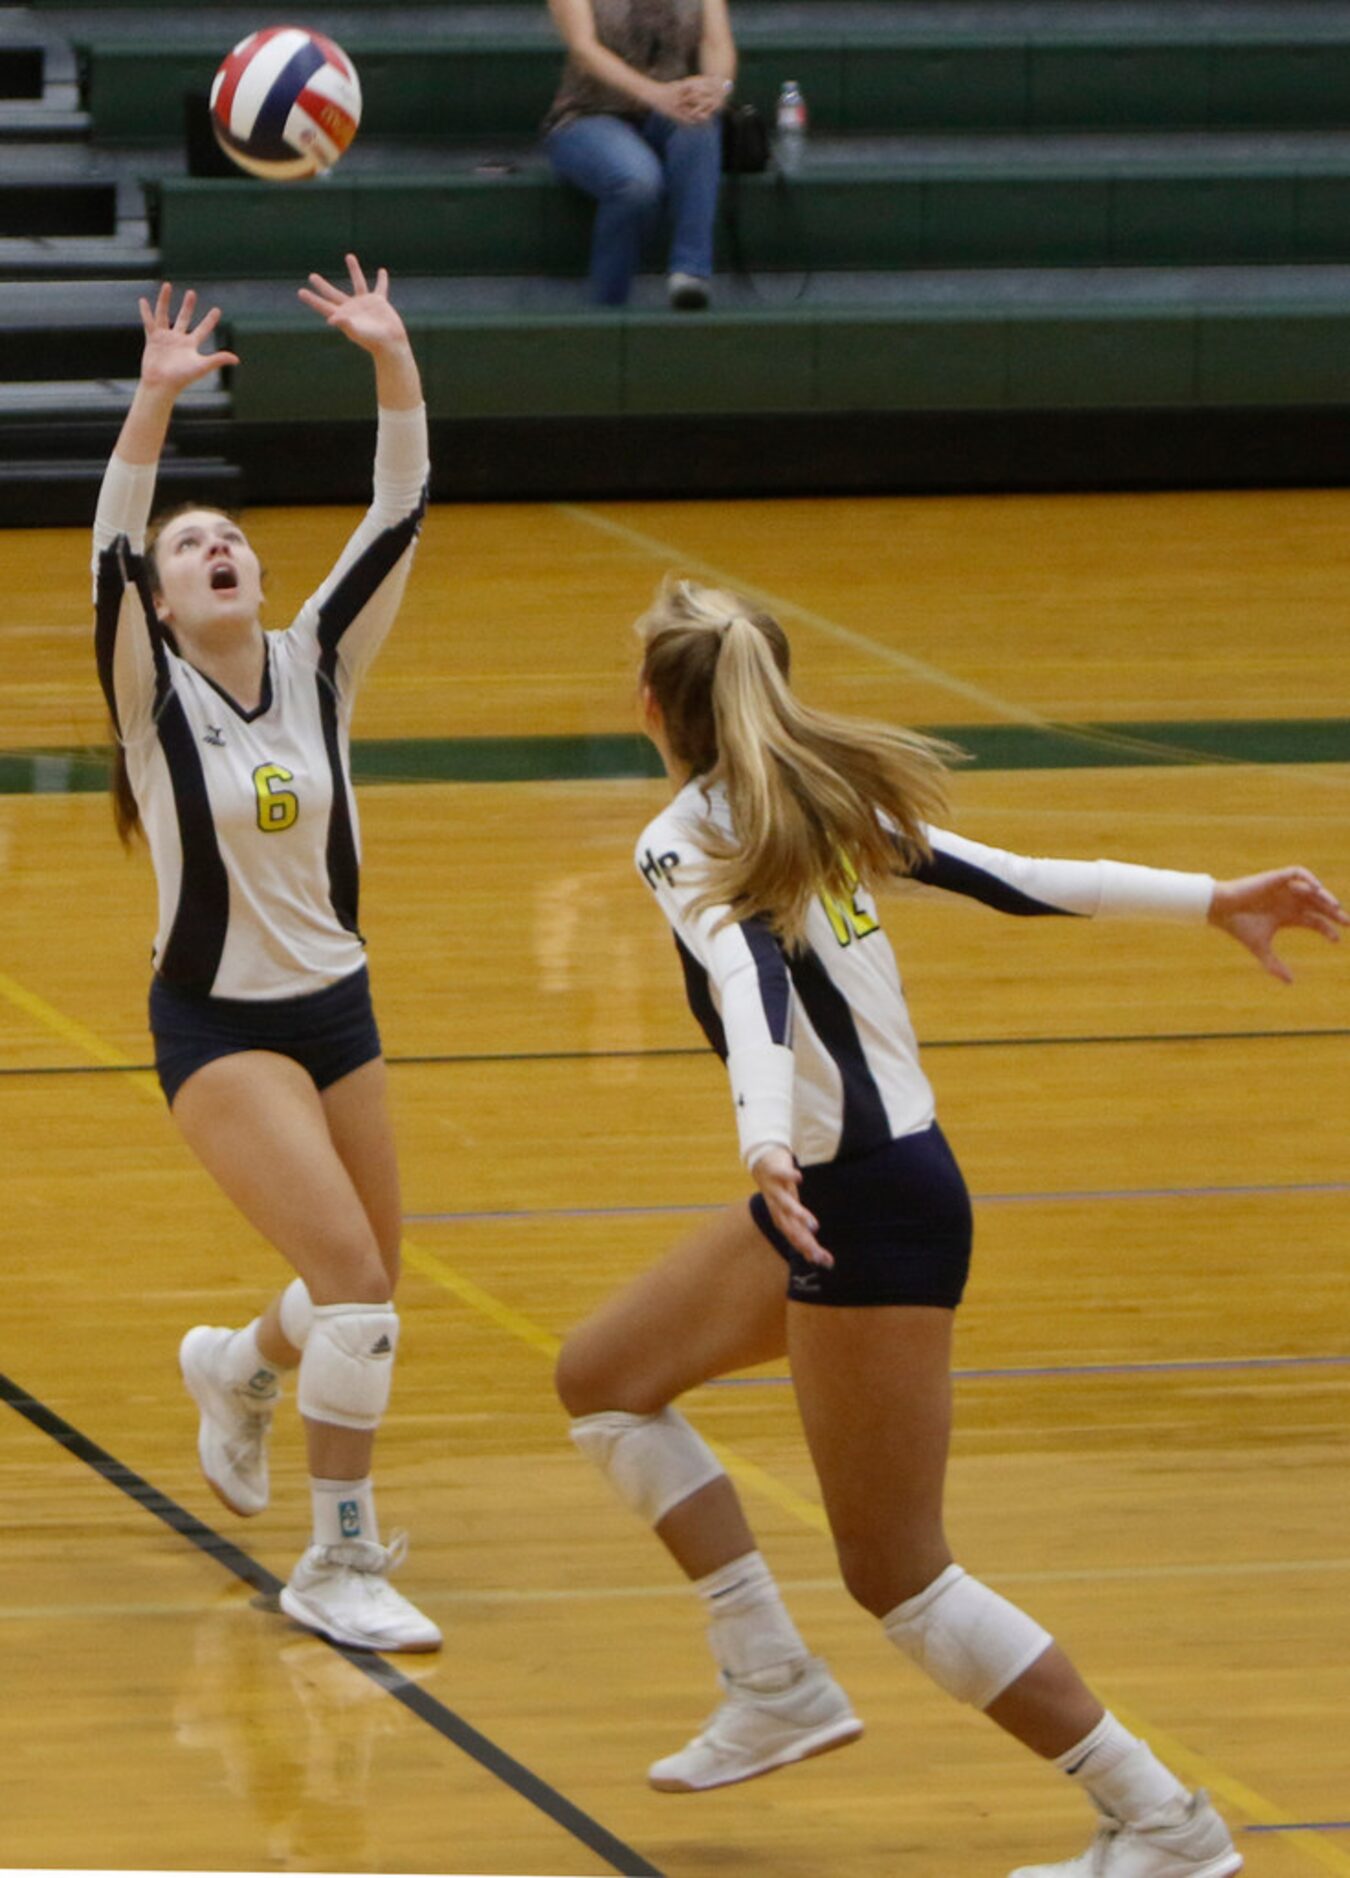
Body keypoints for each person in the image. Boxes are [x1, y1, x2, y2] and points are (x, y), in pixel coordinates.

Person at [555, 576, 1347, 1874]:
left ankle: (1162, 1822)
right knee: (604, 1376)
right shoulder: (820, 801)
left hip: (854, 1202)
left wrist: (759, 1130)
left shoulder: (688, 835)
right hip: (855, 1184)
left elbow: (746, 984)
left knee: (900, 1575)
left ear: (652, 705)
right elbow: (1026, 881)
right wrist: (1210, 894)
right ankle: (770, 1677)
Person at [92, 256, 440, 1653]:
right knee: (355, 1287)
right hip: (220, 1028)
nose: (213, 547)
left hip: (336, 1009)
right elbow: (109, 551)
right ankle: (336, 1561)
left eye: (229, 536)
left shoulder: (318, 664)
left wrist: (392, 360)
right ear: (167, 604)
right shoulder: (149, 696)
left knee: (368, 1275)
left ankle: (235, 1368)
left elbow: (400, 509)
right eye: (191, 548)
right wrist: (151, 412)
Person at [543, 0, 736, 309]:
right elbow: (583, 48)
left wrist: (716, 89)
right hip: (589, 113)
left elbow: (716, 42)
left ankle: (690, 273)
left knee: (700, 125)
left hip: (670, 105)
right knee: (636, 182)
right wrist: (654, 93)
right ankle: (608, 305)